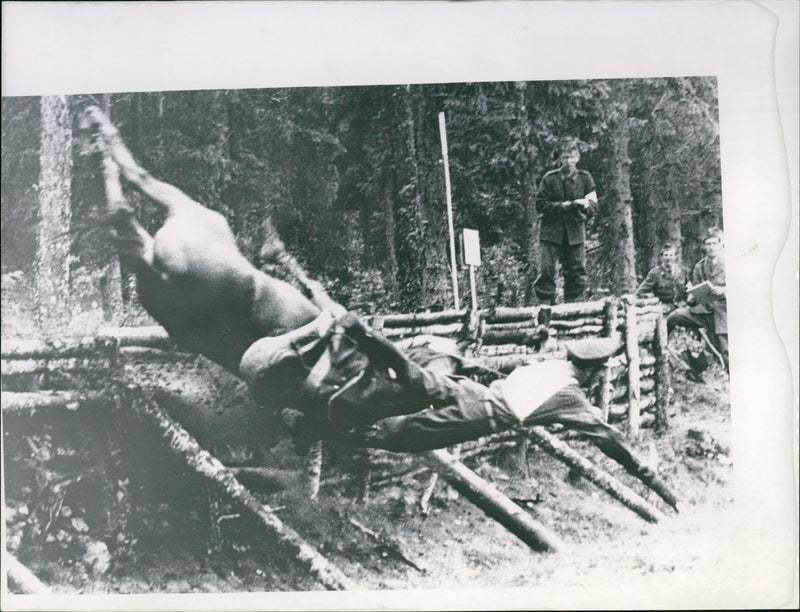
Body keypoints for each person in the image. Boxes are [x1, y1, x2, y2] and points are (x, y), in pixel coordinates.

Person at [241, 329, 679, 511]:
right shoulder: (569, 396)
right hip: (477, 414)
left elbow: (501, 379)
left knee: (414, 382)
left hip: (472, 391)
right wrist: (647, 474)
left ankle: (368, 343)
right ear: (595, 371)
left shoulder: (548, 366)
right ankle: (311, 423)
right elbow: (607, 438)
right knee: (396, 437)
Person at [532, 140, 597, 305]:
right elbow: (540, 205)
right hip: (550, 232)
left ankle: (572, 307)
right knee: (546, 270)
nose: (569, 161)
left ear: (578, 158)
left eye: (572, 157)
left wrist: (585, 206)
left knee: (577, 272)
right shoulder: (549, 178)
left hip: (575, 232)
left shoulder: (585, 178)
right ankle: (545, 308)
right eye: (566, 157)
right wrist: (562, 206)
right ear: (560, 159)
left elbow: (593, 205)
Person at [667, 228, 728, 369]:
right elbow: (695, 294)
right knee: (674, 317)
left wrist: (723, 291)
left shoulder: (730, 264)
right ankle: (665, 350)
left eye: (714, 243)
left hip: (723, 312)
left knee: (726, 350)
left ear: (720, 244)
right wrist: (690, 297)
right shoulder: (700, 267)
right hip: (703, 311)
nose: (711, 247)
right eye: (708, 244)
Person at [636, 243, 687, 311]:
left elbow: (689, 289)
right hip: (664, 310)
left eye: (671, 255)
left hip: (682, 309)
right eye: (666, 255)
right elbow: (640, 292)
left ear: (675, 257)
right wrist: (653, 299)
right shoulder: (655, 273)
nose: (668, 258)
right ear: (661, 257)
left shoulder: (682, 272)